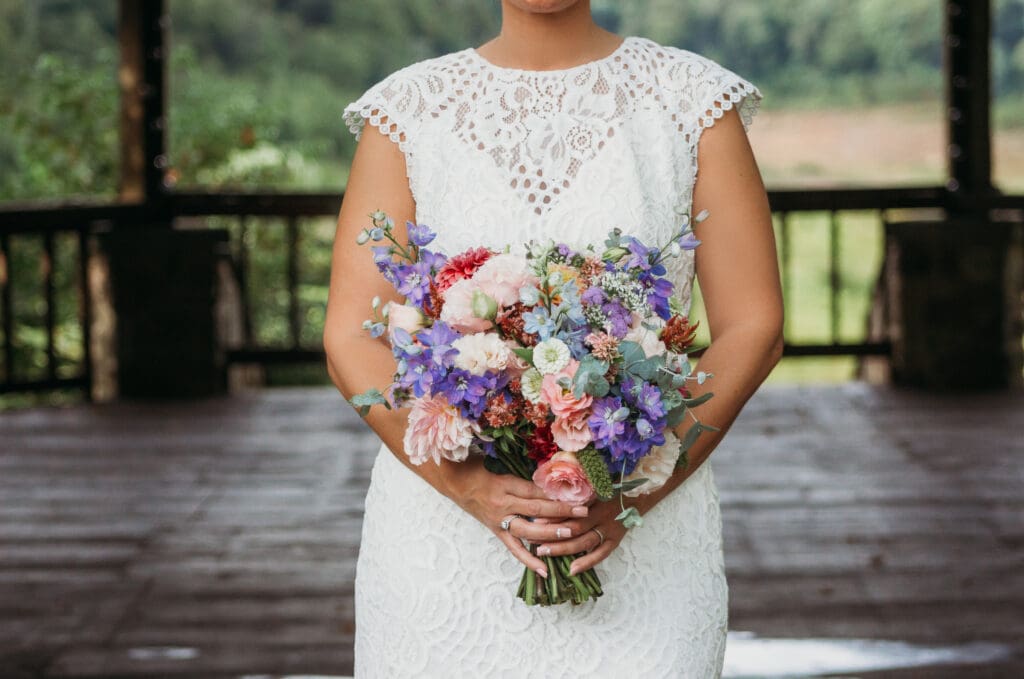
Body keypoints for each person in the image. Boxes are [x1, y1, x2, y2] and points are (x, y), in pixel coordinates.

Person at [323, 1, 783, 676]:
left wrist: (634, 494)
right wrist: (469, 485)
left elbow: (755, 325)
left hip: (645, 548)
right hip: (439, 555)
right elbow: (348, 335)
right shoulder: (409, 112)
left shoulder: (693, 104)